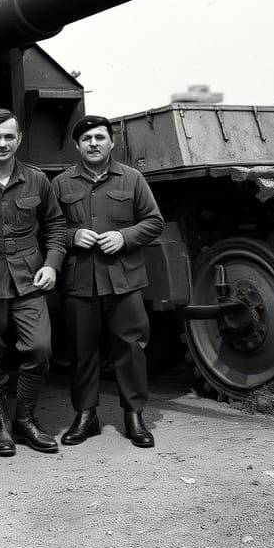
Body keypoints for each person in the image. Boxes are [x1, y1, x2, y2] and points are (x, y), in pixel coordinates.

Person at [0, 109, 68, 458]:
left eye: (9, 137)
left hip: (29, 279)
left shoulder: (37, 180)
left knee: (39, 349)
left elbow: (56, 227)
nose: (2, 143)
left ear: (18, 140)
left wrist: (52, 265)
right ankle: (1, 428)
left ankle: (26, 419)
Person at [51, 114, 164, 448]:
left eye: (100, 138)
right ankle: (86, 415)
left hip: (124, 281)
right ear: (77, 146)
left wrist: (124, 237)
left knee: (130, 349)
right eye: (86, 139)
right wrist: (73, 235)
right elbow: (51, 228)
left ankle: (134, 414)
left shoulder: (132, 179)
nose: (93, 143)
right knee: (83, 350)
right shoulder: (61, 184)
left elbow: (154, 221)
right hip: (80, 281)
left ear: (111, 142)